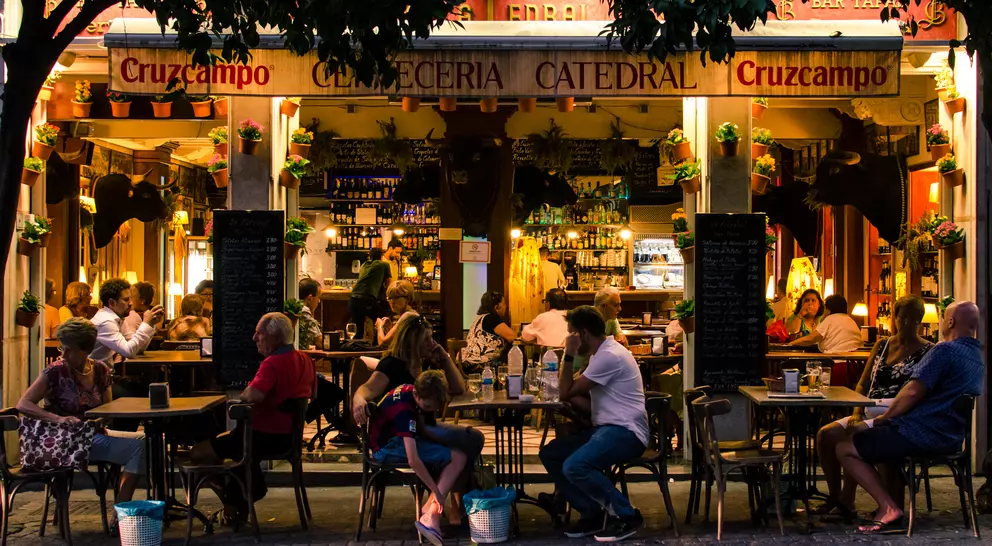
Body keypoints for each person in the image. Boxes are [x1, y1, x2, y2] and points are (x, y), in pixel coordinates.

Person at [837, 301, 982, 534]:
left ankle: (888, 508)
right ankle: (882, 503)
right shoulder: (976, 357)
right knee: (872, 436)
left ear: (951, 321)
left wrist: (886, 418)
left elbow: (912, 391)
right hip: (951, 437)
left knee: (845, 445)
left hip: (921, 433)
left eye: (945, 318)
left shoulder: (944, 350)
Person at [352, 314, 480, 524]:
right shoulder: (392, 364)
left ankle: (451, 505)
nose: (432, 343)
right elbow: (367, 388)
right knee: (466, 442)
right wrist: (358, 400)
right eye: (427, 339)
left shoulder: (427, 363)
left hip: (425, 428)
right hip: (404, 435)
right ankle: (447, 507)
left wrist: (445, 357)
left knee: (471, 438)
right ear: (413, 342)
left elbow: (458, 389)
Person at [17, 318, 146, 525]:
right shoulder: (55, 371)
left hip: (89, 435)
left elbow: (108, 409)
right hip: (63, 440)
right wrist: (58, 418)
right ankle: (120, 518)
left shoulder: (101, 370)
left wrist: (101, 419)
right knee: (137, 449)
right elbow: (23, 404)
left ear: (85, 349)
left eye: (68, 349)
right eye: (62, 348)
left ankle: (121, 507)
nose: (63, 354)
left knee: (145, 440)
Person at [191, 313, 316, 524]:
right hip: (289, 439)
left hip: (260, 437)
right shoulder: (306, 360)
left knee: (197, 453)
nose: (254, 337)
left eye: (260, 333)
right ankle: (238, 499)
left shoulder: (272, 364)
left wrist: (247, 392)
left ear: (274, 337)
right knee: (227, 444)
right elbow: (313, 395)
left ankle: (233, 501)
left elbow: (251, 396)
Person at [814, 296, 932, 519]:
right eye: (902, 317)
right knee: (825, 434)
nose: (906, 323)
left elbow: (921, 393)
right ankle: (836, 496)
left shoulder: (929, 351)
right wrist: (857, 411)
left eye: (913, 319)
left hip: (896, 414)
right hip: (868, 407)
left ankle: (847, 500)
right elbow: (864, 382)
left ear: (920, 322)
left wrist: (881, 416)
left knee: (852, 437)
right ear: (894, 318)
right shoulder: (882, 344)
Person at [539, 306, 647, 541]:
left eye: (571, 334)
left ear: (583, 334)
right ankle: (592, 513)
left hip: (626, 432)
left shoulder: (609, 356)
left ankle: (627, 516)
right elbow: (573, 393)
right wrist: (568, 396)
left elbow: (565, 390)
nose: (568, 339)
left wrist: (568, 354)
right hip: (607, 428)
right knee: (551, 454)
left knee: (574, 465)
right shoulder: (601, 355)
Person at [368, 370, 465, 544]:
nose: (429, 411)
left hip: (394, 439)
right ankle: (430, 514)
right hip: (387, 447)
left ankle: (429, 510)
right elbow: (413, 460)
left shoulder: (412, 390)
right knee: (457, 457)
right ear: (416, 394)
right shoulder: (404, 411)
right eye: (427, 407)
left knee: (454, 454)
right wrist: (435, 490)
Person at [89, 278, 164, 363]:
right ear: (112, 303)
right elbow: (128, 352)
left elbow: (138, 349)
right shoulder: (106, 322)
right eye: (126, 300)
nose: (131, 303)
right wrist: (145, 324)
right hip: (95, 375)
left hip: (105, 373)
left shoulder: (118, 318)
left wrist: (151, 324)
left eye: (130, 299)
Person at [461, 291, 516, 374]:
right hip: (478, 364)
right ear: (497, 306)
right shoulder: (492, 319)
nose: (506, 306)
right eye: (504, 303)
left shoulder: (479, 318)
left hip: (465, 362)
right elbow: (513, 337)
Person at [349, 248, 394, 340]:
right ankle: (383, 343)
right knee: (384, 318)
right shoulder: (384, 264)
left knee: (358, 331)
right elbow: (389, 284)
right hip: (366, 299)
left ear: (370, 256)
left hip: (353, 299)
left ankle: (357, 350)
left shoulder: (364, 265)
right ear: (381, 257)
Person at [790, 294, 861, 353]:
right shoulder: (851, 321)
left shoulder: (830, 319)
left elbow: (811, 338)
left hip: (836, 361)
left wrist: (791, 344)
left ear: (829, 310)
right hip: (855, 362)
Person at [376, 280, 416, 346]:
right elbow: (396, 342)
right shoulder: (411, 314)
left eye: (397, 297)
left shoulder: (408, 316)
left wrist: (379, 326)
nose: (392, 302)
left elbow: (383, 343)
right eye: (390, 298)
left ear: (408, 299)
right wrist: (389, 329)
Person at [299, 277, 323, 350]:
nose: (319, 301)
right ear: (310, 298)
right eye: (318, 297)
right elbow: (320, 342)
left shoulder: (297, 308)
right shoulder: (304, 311)